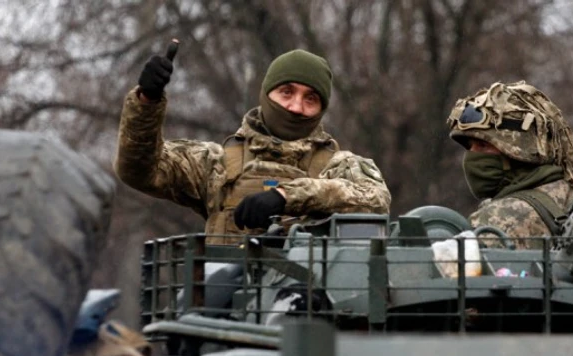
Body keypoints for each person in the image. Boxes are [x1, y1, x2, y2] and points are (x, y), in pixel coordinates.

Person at [115, 46, 391, 245]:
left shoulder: (339, 166)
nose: (296, 106)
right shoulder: (215, 163)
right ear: (266, 93)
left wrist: (286, 197)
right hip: (224, 312)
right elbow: (140, 170)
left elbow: (376, 200)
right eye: (286, 92)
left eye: (311, 99)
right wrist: (147, 103)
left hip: (308, 312)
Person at [446, 81, 573, 249]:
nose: (472, 155)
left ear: (516, 151)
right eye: (470, 146)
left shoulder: (495, 218)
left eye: (483, 145)